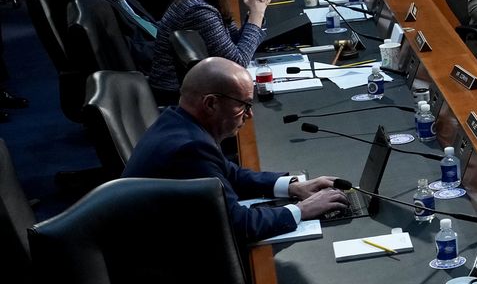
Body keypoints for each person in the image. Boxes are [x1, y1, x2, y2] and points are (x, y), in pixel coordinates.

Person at [122, 59, 347, 244]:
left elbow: (229, 173)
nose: (250, 115)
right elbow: (238, 225)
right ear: (210, 104)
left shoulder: (178, 121)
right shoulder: (189, 148)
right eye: (244, 105)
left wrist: (292, 187)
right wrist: (302, 210)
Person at [149, 0, 271, 100]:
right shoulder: (198, 11)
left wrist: (254, 15)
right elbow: (236, 64)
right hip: (175, 95)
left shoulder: (206, 1)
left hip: (193, 89)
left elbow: (234, 42)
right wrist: (256, 14)